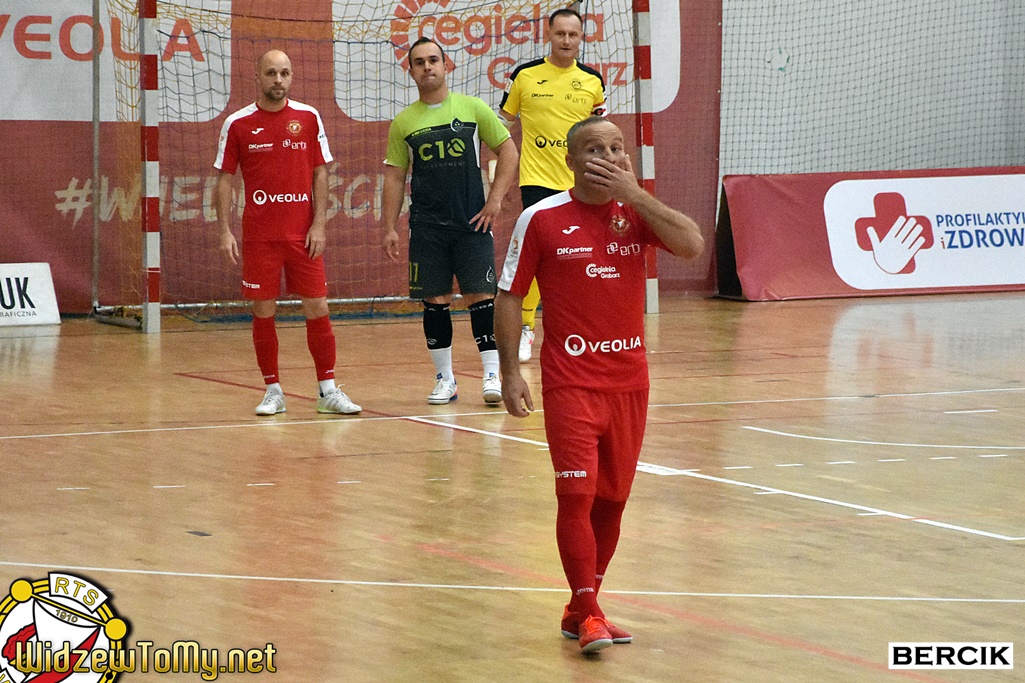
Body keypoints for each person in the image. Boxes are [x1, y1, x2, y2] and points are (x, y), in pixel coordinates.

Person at [495, 116, 704, 654]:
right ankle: (589, 613)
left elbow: (692, 245)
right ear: (570, 160)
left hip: (630, 383)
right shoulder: (541, 218)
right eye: (594, 149)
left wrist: (637, 196)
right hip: (570, 383)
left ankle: (579, 609)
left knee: (611, 501)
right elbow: (510, 297)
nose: (607, 157)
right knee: (576, 495)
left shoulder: (638, 213)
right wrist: (510, 372)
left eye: (615, 148)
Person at [214, 49, 361, 416]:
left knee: (318, 306)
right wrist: (224, 231)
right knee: (263, 309)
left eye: (284, 73)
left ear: (292, 77)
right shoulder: (237, 123)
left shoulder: (308, 117)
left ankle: (327, 390)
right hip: (260, 238)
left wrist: (319, 224)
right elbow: (224, 178)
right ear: (257, 77)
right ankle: (273, 391)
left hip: (303, 236)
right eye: (271, 73)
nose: (278, 80)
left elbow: (321, 171)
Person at [381, 37, 519, 405]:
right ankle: (445, 379)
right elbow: (394, 177)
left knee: (481, 296)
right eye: (419, 62)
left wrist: (495, 199)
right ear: (411, 71)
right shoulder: (404, 122)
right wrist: (389, 226)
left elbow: (508, 151)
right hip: (427, 228)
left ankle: (492, 375)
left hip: (473, 223)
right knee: (435, 300)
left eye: (433, 60)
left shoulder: (473, 109)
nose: (427, 67)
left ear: (446, 66)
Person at [499, 8, 606, 363]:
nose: (566, 40)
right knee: (536, 257)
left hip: (581, 184)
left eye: (573, 35)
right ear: (548, 35)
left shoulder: (592, 81)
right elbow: (501, 127)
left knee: (583, 256)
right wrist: (499, 173)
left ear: (581, 38)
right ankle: (526, 327)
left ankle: (583, 329)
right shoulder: (525, 75)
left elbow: (600, 134)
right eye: (560, 33)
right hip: (537, 181)